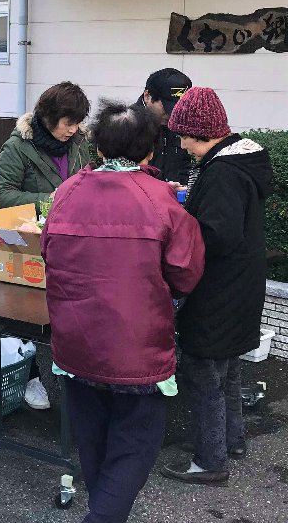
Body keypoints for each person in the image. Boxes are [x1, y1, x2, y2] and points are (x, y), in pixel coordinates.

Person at [42, 101, 204, 523]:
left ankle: (103, 513)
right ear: (150, 150)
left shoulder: (67, 193)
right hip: (138, 349)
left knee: (93, 443)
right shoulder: (161, 200)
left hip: (75, 344)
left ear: (97, 148)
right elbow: (186, 273)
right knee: (134, 447)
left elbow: (47, 252)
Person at [161, 87, 274, 486]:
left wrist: (181, 228)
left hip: (217, 291)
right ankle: (233, 440)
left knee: (205, 374)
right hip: (241, 286)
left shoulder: (222, 173)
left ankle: (210, 461)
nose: (182, 144)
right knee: (227, 371)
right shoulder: (239, 163)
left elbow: (216, 236)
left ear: (200, 132)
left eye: (184, 136)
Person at [0, 81, 93, 409]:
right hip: (31, 242)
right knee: (21, 312)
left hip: (73, 244)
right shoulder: (19, 145)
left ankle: (69, 375)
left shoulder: (80, 142)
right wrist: (47, 200)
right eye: (68, 122)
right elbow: (0, 193)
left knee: (69, 314)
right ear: (48, 117)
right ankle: (28, 375)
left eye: (78, 122)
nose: (74, 129)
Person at [136, 68, 193, 185]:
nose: (172, 115)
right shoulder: (126, 126)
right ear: (147, 96)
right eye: (167, 108)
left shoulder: (180, 120)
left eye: (179, 108)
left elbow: (186, 164)